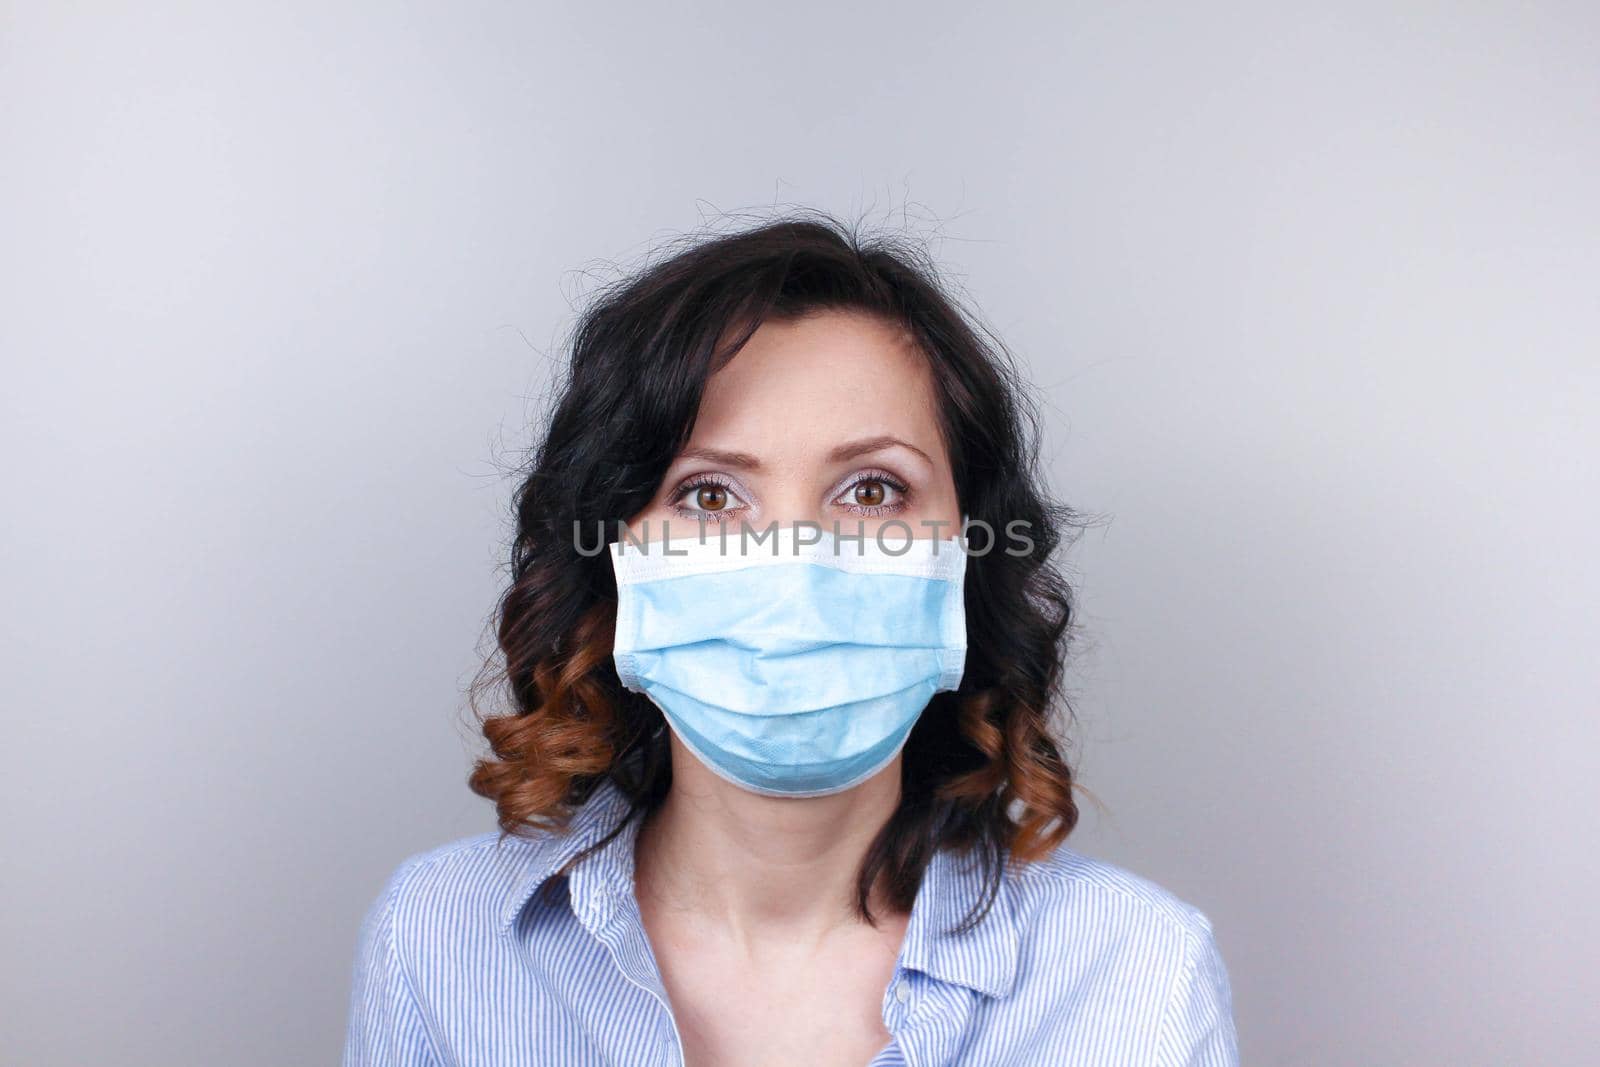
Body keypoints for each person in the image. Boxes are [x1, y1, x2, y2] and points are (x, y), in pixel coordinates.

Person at [342, 215, 1239, 1066]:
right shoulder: (440, 941)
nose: (795, 562)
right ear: (616, 561)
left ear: (966, 553)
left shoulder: (1136, 974)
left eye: (874, 490)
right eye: (709, 494)